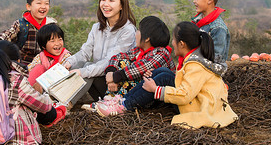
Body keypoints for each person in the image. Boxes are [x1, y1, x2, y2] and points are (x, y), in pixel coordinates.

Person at [97, 22, 238, 130]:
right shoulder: (192, 60)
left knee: (163, 78)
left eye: (175, 40)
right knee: (161, 72)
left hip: (200, 107)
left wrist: (156, 90)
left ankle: (124, 106)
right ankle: (121, 101)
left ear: (182, 44)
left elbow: (186, 95)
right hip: (196, 101)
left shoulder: (196, 66)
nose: (172, 43)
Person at [0, 41, 67, 145]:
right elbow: (44, 106)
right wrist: (41, 94)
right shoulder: (15, 80)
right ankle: (60, 110)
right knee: (46, 109)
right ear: (18, 61)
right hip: (15, 140)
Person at [83, 16, 176, 111]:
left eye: (139, 30)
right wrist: (111, 73)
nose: (136, 33)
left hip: (148, 99)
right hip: (132, 93)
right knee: (120, 63)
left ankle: (117, 104)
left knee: (131, 70)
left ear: (147, 38)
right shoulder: (138, 51)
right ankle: (109, 101)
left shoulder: (162, 53)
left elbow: (140, 68)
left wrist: (116, 77)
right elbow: (117, 57)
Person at [64, 0, 137, 103]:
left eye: (111, 0)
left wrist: (82, 72)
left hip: (116, 84)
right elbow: (85, 53)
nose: (105, 4)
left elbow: (109, 62)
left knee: (88, 68)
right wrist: (69, 62)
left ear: (121, 6)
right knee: (75, 64)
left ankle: (66, 104)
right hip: (98, 80)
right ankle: (53, 98)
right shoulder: (97, 27)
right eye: (103, 0)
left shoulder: (128, 31)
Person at [0, 0, 57, 66]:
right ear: (29, 6)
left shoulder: (51, 25)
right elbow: (8, 34)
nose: (43, 7)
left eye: (46, 4)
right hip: (23, 66)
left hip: (45, 66)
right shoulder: (21, 24)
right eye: (39, 3)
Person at [191, 0, 230, 70]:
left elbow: (216, 60)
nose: (194, 1)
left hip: (207, 74)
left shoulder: (218, 28)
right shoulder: (198, 22)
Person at [27, 23, 71, 88]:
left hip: (59, 87)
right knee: (39, 68)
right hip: (41, 87)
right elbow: (31, 71)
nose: (57, 43)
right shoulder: (40, 57)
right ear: (43, 46)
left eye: (60, 39)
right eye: (52, 41)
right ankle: (28, 91)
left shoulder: (66, 56)